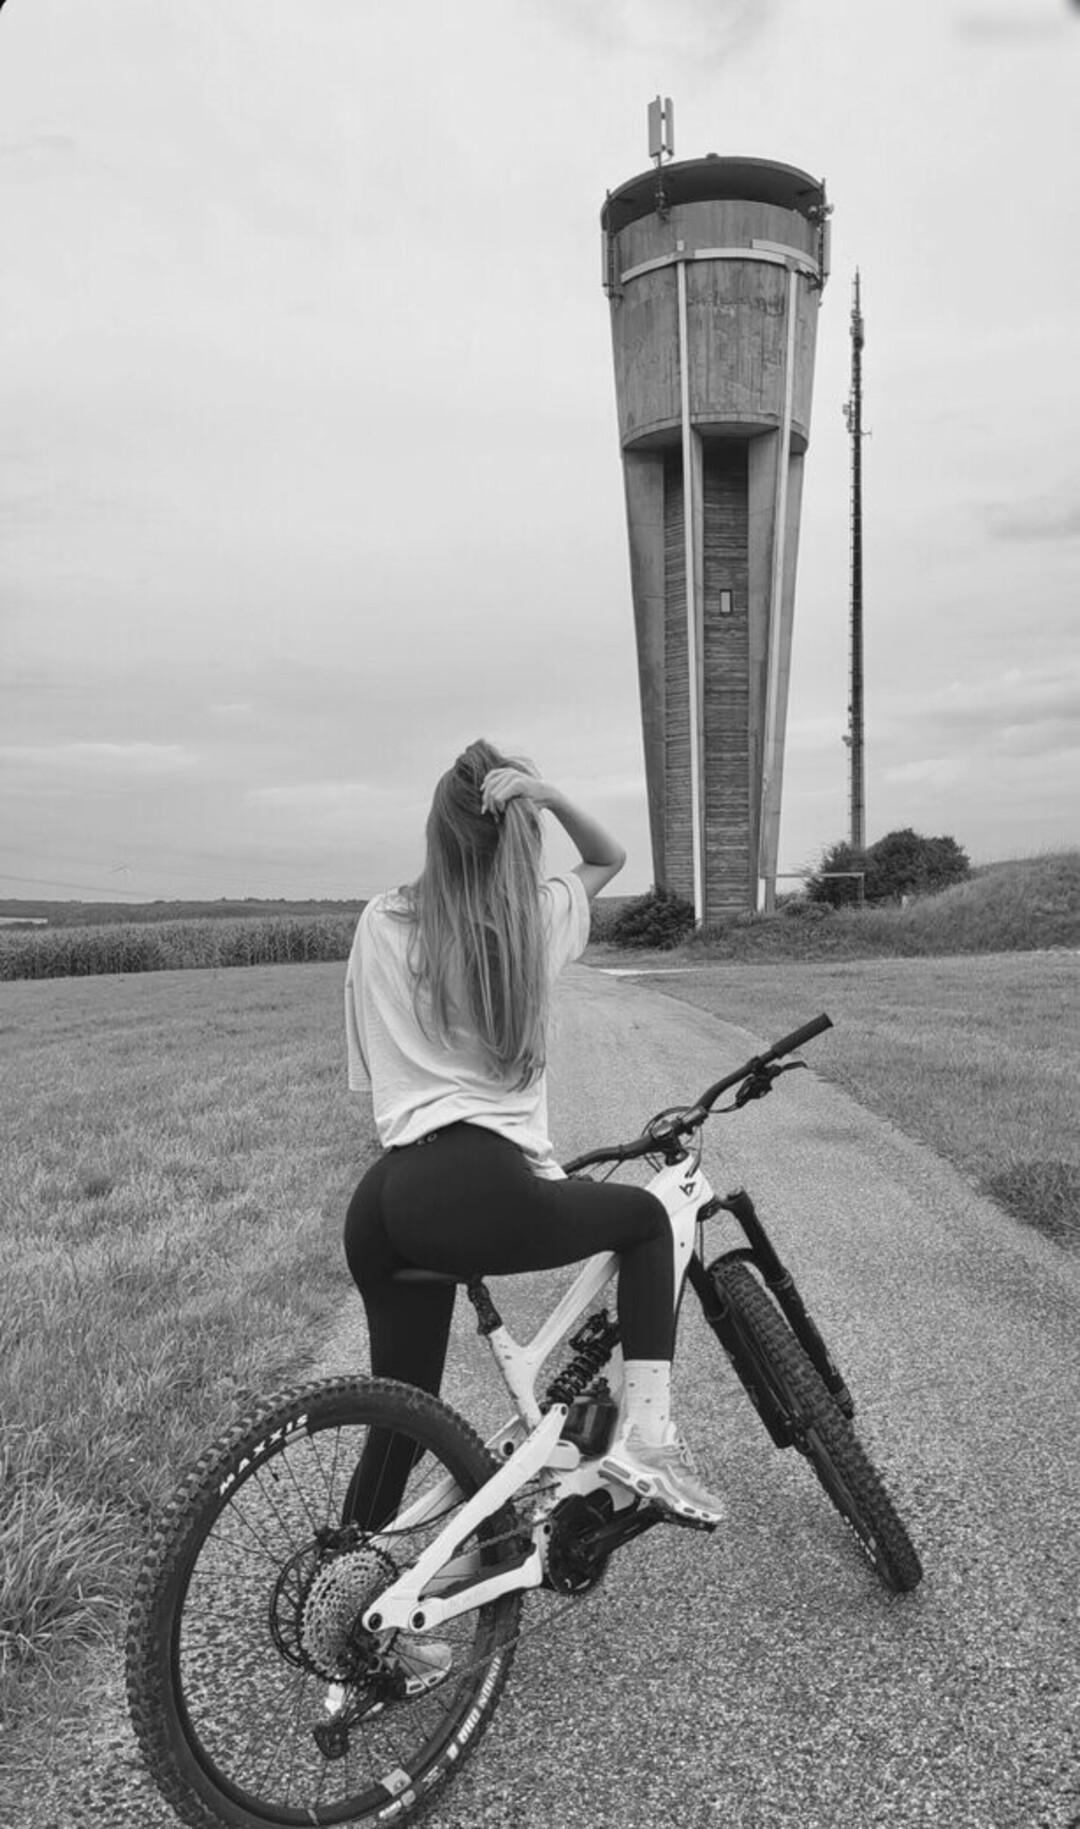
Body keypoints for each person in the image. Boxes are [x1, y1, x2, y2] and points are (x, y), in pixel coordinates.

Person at [343, 739, 726, 1540]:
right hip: (479, 1182)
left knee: (403, 1413)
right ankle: (647, 1439)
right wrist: (546, 796)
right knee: (645, 1221)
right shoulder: (532, 922)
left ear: (438, 833)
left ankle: (346, 1579)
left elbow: (370, 1072)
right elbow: (610, 856)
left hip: (386, 1196)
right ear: (517, 837)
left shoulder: (381, 919)